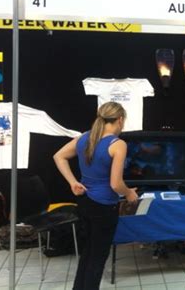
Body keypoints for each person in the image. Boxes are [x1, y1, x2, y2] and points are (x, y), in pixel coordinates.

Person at [53, 102, 138, 290]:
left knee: (88, 253)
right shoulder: (118, 144)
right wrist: (130, 193)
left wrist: (72, 182)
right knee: (97, 259)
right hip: (104, 207)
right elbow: (115, 184)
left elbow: (58, 156)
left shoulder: (84, 138)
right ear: (120, 120)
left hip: (84, 202)